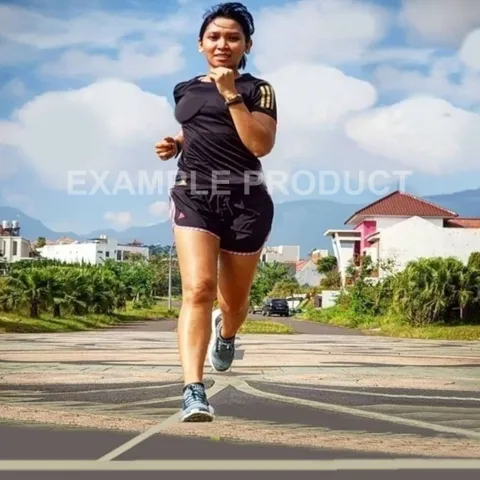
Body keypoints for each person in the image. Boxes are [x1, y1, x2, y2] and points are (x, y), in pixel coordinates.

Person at [154, 2, 277, 422]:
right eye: (214, 36)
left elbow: (260, 144)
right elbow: (196, 127)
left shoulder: (258, 89)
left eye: (233, 37)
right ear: (200, 43)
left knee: (234, 302)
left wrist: (230, 95)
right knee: (199, 289)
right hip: (194, 194)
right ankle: (193, 389)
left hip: (246, 201)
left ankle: (227, 333)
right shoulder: (184, 89)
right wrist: (177, 143)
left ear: (247, 46)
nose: (223, 43)